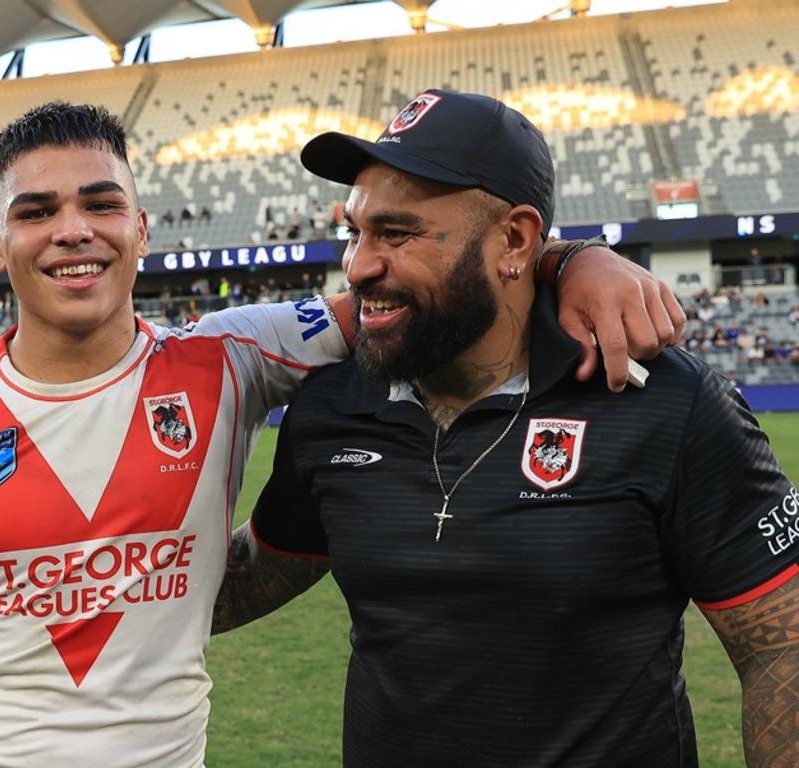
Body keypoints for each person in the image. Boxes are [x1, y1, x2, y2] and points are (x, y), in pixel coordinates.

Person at [0, 100, 680, 768]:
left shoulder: (231, 356)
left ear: (141, 228)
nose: (72, 231)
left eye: (99, 203)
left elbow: (423, 287)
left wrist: (572, 257)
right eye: (36, 211)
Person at [213, 90, 798, 767]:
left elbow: (780, 645)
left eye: (396, 234)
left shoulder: (668, 403)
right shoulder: (332, 406)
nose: (359, 265)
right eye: (357, 232)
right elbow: (252, 576)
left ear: (515, 240)